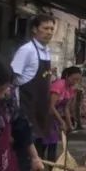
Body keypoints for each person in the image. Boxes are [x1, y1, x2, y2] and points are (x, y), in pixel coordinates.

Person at [10, 14, 56, 158]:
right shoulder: (27, 50)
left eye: (52, 29)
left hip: (41, 107)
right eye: (45, 28)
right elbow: (12, 76)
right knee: (25, 144)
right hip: (26, 106)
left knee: (39, 142)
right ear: (34, 29)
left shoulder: (47, 51)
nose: (49, 32)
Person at [47, 66, 83, 161]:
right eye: (74, 79)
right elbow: (51, 106)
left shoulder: (71, 89)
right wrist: (62, 122)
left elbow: (66, 108)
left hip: (54, 117)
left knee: (53, 143)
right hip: (45, 115)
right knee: (44, 143)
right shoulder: (59, 85)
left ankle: (51, 166)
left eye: (78, 80)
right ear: (67, 76)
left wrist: (70, 124)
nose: (75, 82)